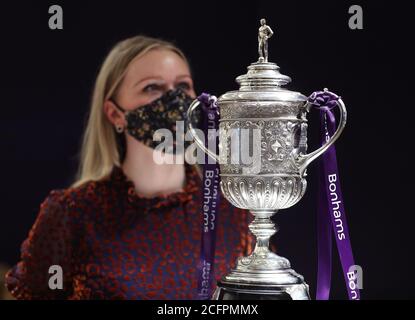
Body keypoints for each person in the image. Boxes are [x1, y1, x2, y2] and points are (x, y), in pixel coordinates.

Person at [5, 35, 253, 299]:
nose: (174, 98)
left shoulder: (233, 210)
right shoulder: (73, 214)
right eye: (151, 88)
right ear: (115, 114)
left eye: (183, 85)